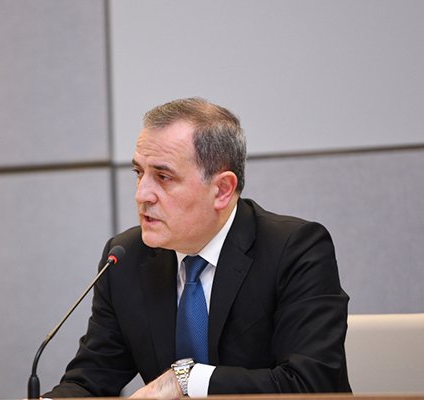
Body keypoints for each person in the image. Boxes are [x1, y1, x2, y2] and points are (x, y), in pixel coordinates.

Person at [44, 97, 351, 398]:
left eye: (163, 177)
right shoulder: (125, 258)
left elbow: (309, 384)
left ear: (222, 189)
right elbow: (89, 382)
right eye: (139, 173)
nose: (142, 194)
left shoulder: (294, 250)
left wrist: (187, 380)